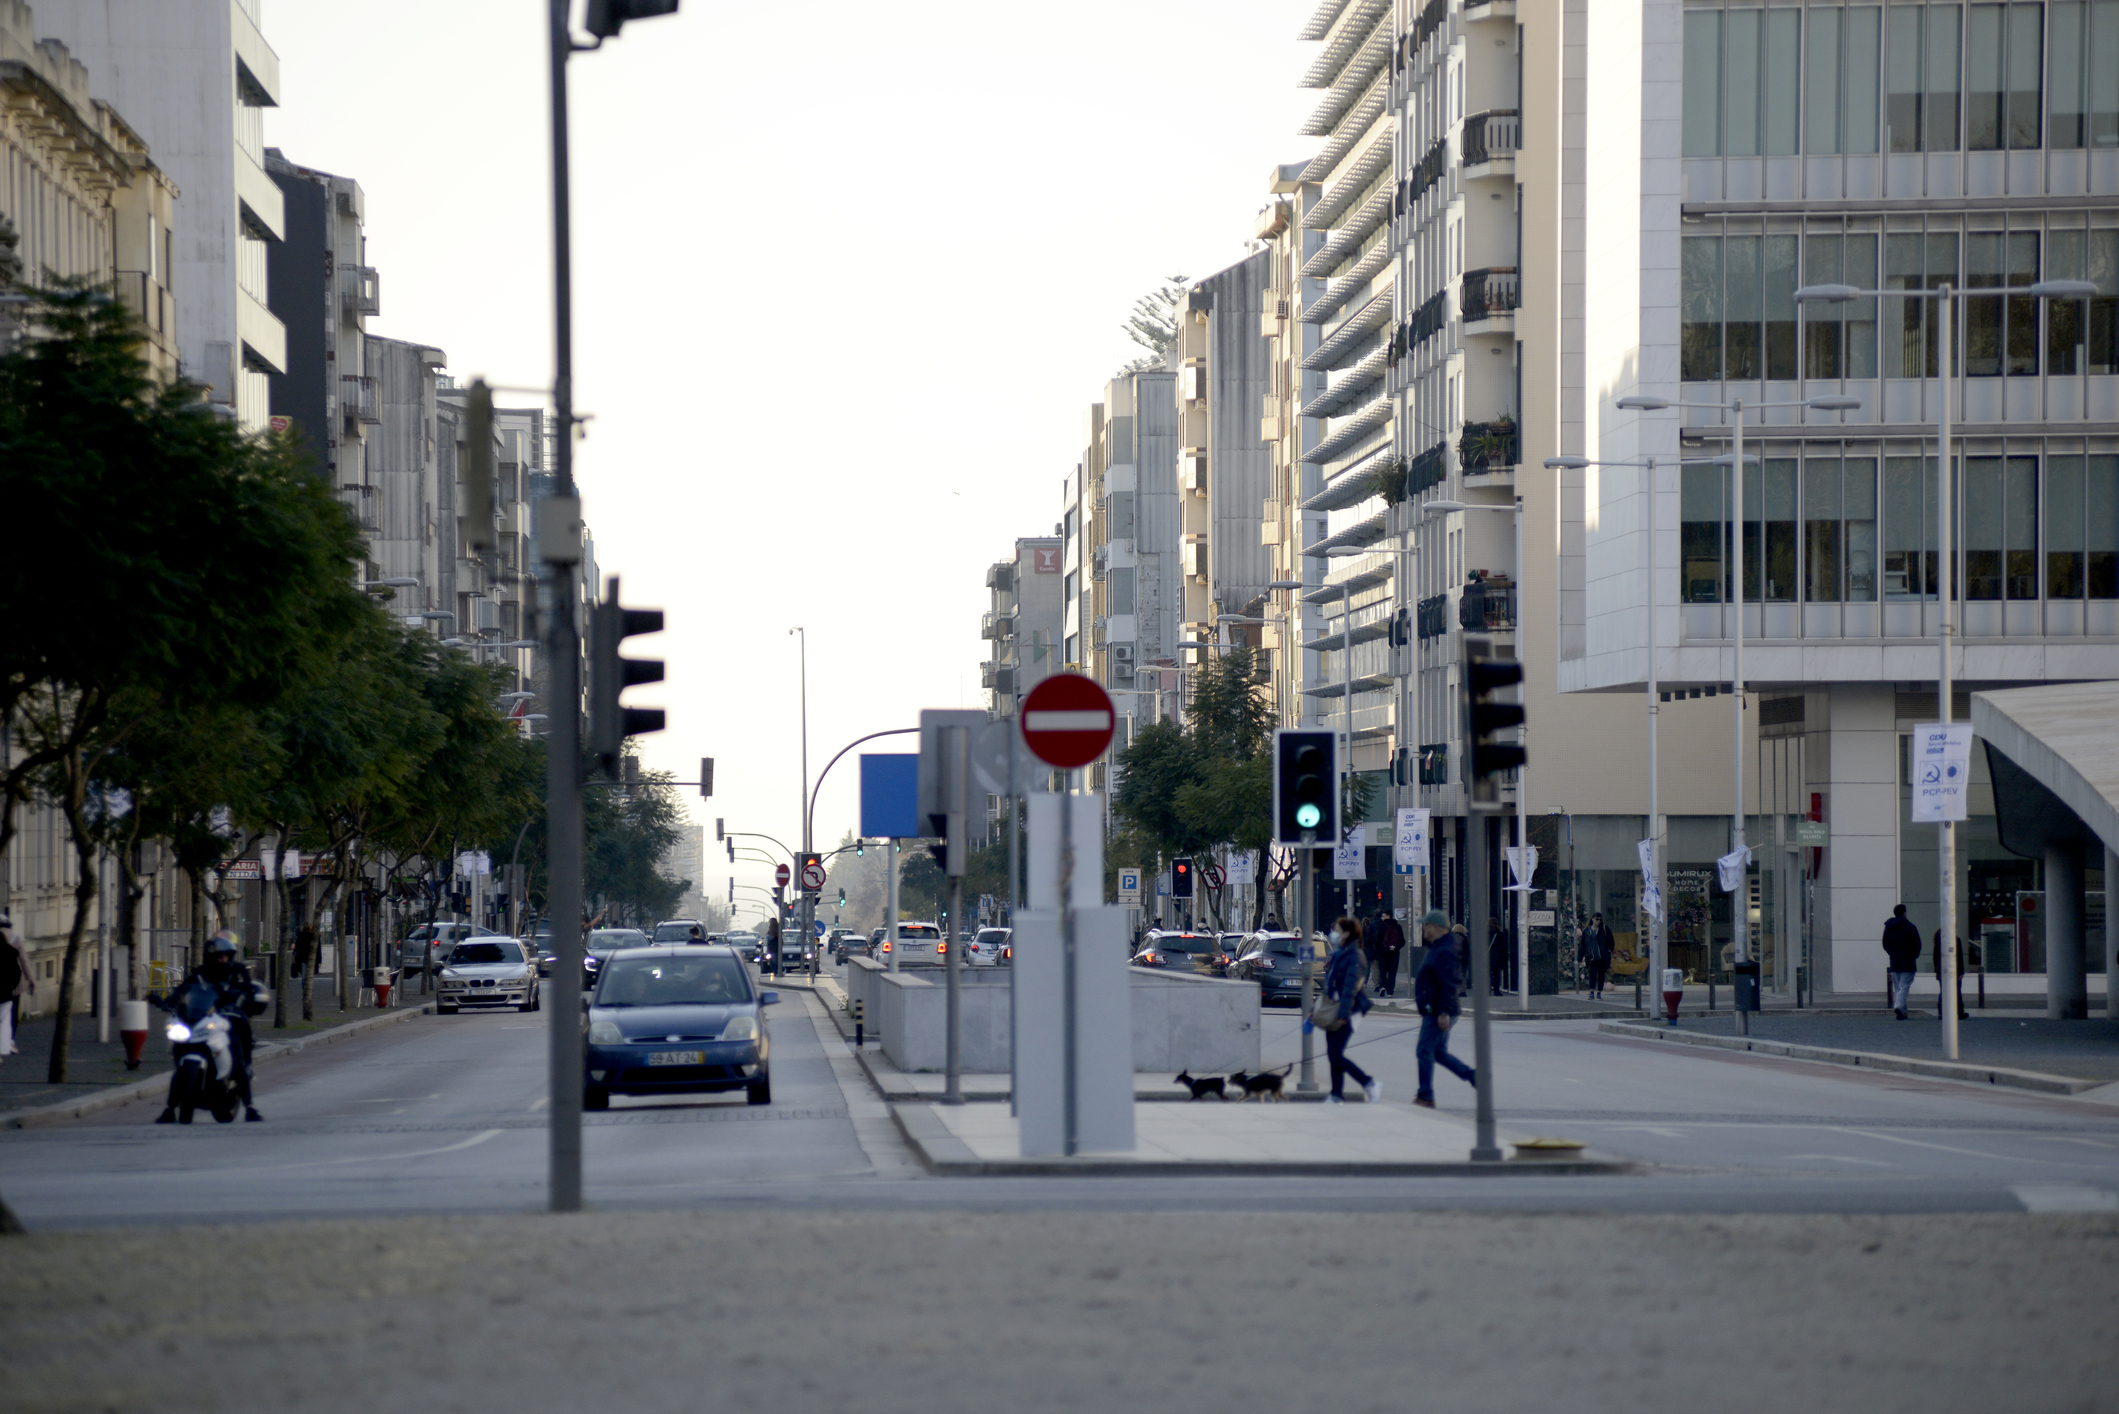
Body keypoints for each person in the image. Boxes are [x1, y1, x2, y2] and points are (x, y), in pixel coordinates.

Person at [154, 931, 268, 1123]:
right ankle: (169, 1109)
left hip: (229, 1016)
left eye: (227, 956)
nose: (224, 959)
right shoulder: (199, 973)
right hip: (200, 1017)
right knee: (179, 1056)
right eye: (220, 956)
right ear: (211, 956)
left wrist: (239, 996)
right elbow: (183, 989)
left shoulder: (237, 971)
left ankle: (250, 1108)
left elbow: (246, 989)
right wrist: (168, 1001)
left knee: (237, 1055)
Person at [1410, 910, 1476, 1108]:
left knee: (1424, 1050)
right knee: (1437, 1052)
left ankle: (1426, 1095)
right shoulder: (1440, 946)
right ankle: (1474, 1076)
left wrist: (1444, 1012)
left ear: (1435, 927)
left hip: (1438, 1010)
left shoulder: (1444, 950)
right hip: (1436, 1009)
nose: (1423, 928)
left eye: (1426, 925)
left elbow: (1449, 983)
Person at [1315, 917, 1378, 1104]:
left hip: (1349, 1010)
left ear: (1347, 934)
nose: (1333, 934)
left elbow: (1351, 987)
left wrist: (1344, 1014)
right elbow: (1330, 985)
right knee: (1334, 1054)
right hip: (1335, 1007)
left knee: (1335, 1054)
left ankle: (1368, 1083)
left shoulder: (1354, 956)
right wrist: (1314, 1009)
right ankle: (1336, 1094)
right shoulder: (1339, 953)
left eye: (1337, 931)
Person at [0, 908, 31, 1059]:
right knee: (12, 1012)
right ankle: (10, 1040)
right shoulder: (15, 938)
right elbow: (24, 961)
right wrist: (30, 979)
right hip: (14, 983)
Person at [1882, 904, 1922, 1019]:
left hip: (1894, 960)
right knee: (1904, 986)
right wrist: (1914, 955)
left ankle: (1903, 1013)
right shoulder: (1910, 927)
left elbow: (1885, 943)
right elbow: (1917, 943)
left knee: (1898, 987)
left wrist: (1892, 953)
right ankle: (1899, 1007)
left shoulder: (1889, 926)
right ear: (1904, 913)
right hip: (1908, 961)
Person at [1932, 928, 1968, 1020]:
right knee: (1957, 990)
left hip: (1941, 968)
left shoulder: (1938, 939)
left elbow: (1935, 956)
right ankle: (1959, 1011)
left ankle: (1941, 1011)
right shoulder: (1955, 939)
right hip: (1953, 967)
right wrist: (1961, 971)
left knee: (1943, 990)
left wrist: (1936, 969)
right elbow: (1959, 956)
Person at [1580, 912, 1616, 1000]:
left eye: (1600, 919)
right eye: (1597, 919)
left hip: (1602, 956)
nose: (1598, 921)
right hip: (1591, 956)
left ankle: (1599, 992)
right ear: (1592, 919)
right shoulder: (1586, 931)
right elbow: (1582, 944)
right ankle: (1591, 992)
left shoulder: (1604, 929)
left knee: (1601, 974)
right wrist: (1580, 957)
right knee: (1592, 974)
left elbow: (1611, 941)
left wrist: (1608, 951)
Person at [1372, 909, 1406, 998]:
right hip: (1394, 954)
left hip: (1383, 953)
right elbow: (1402, 941)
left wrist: (1378, 951)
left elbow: (1377, 940)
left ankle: (1382, 986)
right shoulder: (1398, 927)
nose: (1382, 918)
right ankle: (1390, 992)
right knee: (1392, 972)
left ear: (1388, 916)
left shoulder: (1381, 926)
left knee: (1382, 971)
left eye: (1383, 916)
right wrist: (1395, 948)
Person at [1487, 915, 1510, 995]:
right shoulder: (1500, 934)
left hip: (1488, 957)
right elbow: (1504, 947)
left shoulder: (1485, 934)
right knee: (1496, 974)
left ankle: (1487, 990)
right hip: (1497, 957)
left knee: (1488, 974)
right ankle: (1496, 990)